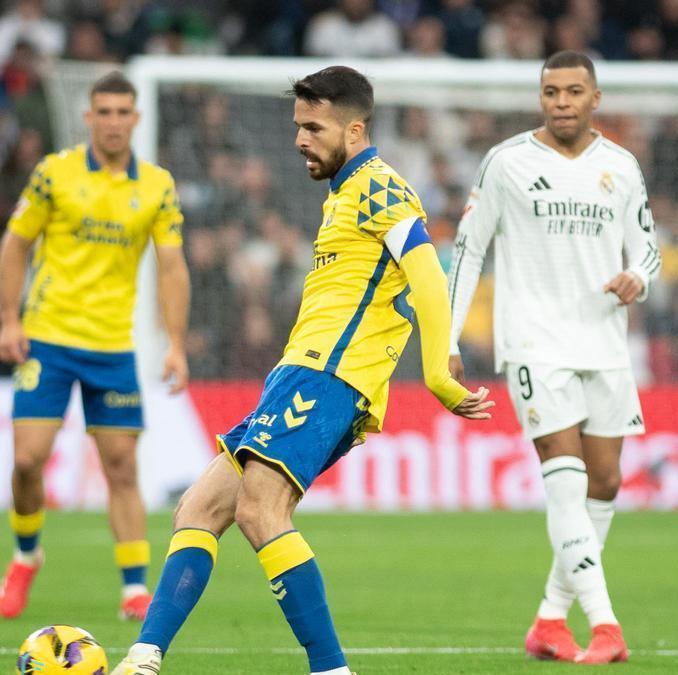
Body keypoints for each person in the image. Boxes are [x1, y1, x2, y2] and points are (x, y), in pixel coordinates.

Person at [112, 65, 493, 675]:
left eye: (314, 127)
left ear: (355, 128)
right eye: (297, 126)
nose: (300, 139)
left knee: (261, 512)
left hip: (331, 376)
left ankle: (330, 669)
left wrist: (438, 374)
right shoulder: (344, 193)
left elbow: (428, 271)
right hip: (299, 374)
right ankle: (144, 655)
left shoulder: (379, 186)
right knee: (199, 509)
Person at [447, 50, 660, 664]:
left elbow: (647, 251)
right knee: (565, 484)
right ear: (540, 98)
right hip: (536, 344)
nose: (561, 102)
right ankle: (606, 626)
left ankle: (548, 620)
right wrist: (450, 338)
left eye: (573, 91)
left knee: (607, 482)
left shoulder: (620, 166)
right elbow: (467, 252)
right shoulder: (507, 163)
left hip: (604, 343)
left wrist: (636, 281)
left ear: (596, 98)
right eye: (551, 92)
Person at [0, 71, 190, 621]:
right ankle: (26, 553)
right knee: (28, 460)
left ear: (136, 118)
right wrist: (10, 319)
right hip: (48, 338)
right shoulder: (54, 173)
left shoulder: (156, 185)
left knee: (123, 467)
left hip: (111, 345)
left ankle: (133, 589)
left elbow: (172, 268)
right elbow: (15, 246)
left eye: (122, 112)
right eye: (103, 111)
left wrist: (175, 343)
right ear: (88, 118)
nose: (113, 122)